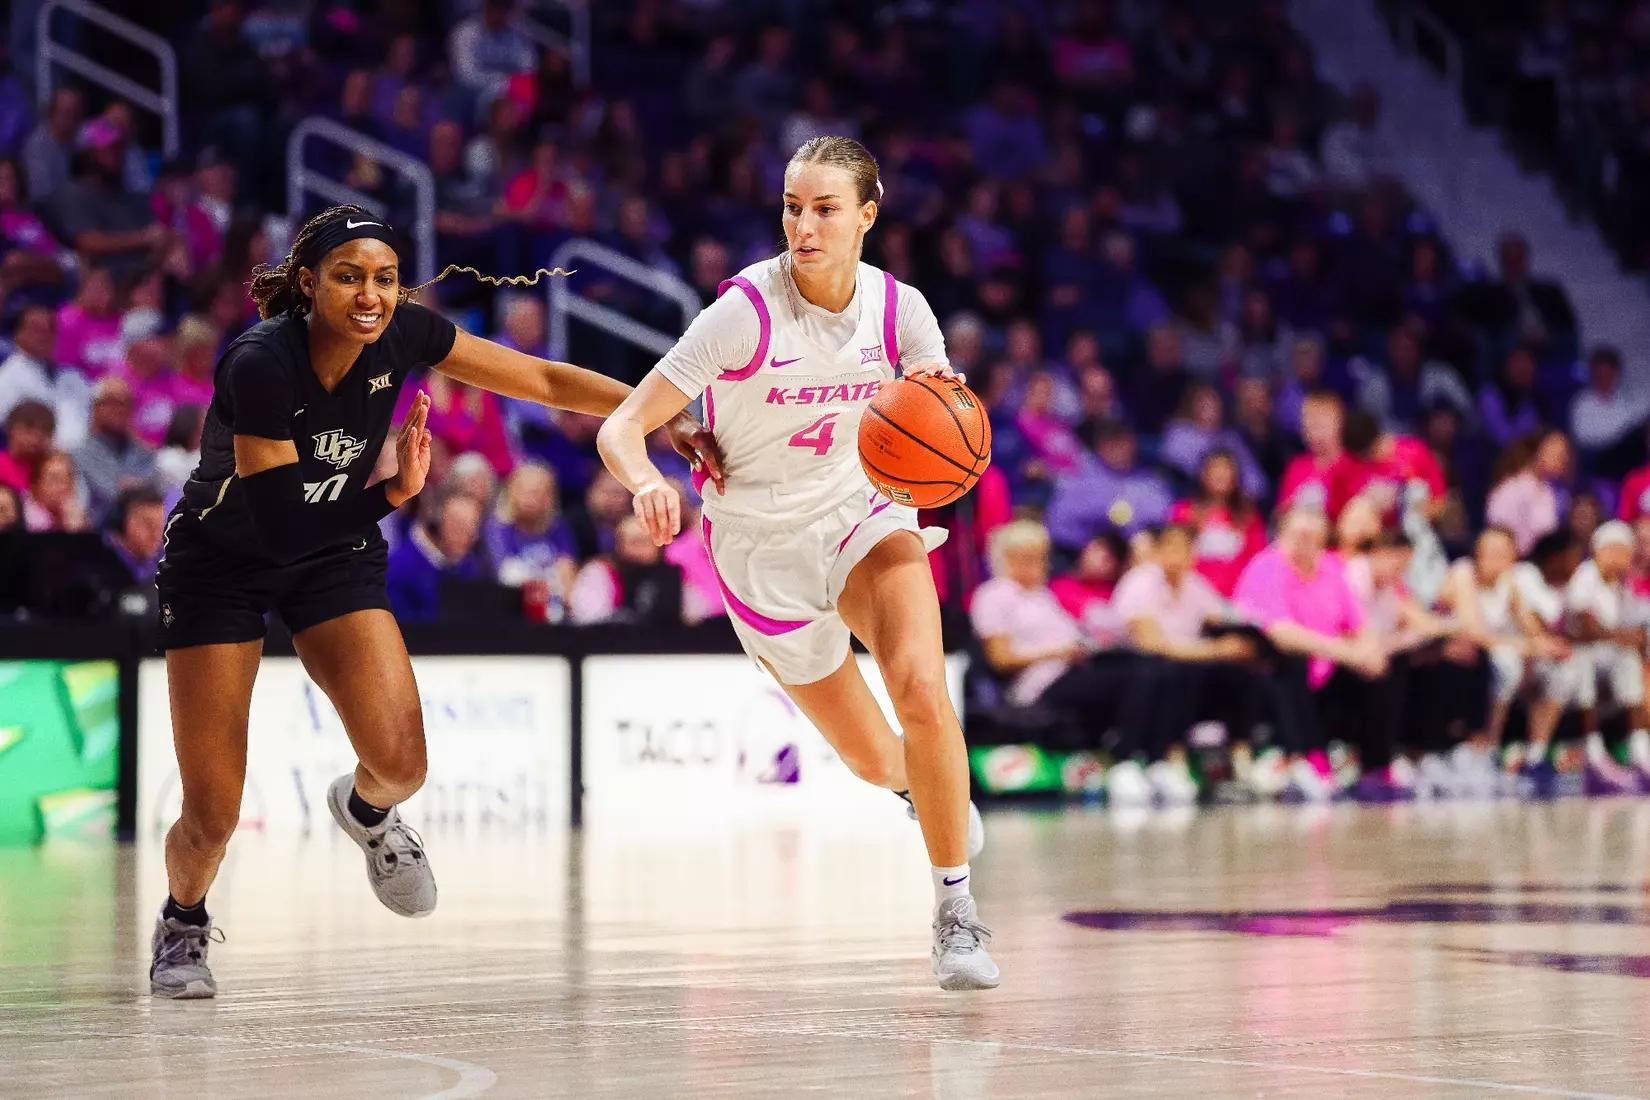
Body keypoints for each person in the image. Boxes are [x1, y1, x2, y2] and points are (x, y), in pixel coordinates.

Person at [147, 204, 721, 1000]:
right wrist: (395, 493)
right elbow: (279, 528)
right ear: (308, 284)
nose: (371, 295)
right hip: (222, 566)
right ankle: (183, 920)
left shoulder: (406, 332)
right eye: (349, 277)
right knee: (213, 814)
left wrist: (664, 418)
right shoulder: (259, 362)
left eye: (385, 278)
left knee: (401, 764)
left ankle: (366, 813)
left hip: (332, 552)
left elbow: (544, 379)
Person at [595, 137, 999, 991]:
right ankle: (920, 790)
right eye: (791, 208)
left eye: (824, 209)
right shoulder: (743, 313)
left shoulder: (901, 312)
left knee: (923, 691)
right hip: (760, 549)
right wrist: (646, 481)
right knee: (873, 759)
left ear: (867, 215)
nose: (804, 226)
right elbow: (623, 423)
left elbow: (942, 414)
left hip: (865, 516)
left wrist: (951, 437)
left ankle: (955, 910)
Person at [1233, 506, 1391, 799]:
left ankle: (1378, 765)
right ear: (1282, 535)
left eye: (1312, 536)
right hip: (1268, 672)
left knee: (1386, 669)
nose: (1305, 543)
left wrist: (1371, 651)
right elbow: (1282, 634)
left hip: (1327, 668)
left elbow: (1360, 623)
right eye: (1298, 535)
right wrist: (1348, 653)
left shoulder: (1331, 566)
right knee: (1293, 660)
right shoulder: (1267, 567)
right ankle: (1307, 757)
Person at [1108, 523, 1253, 807]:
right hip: (1133, 668)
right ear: (1157, 551)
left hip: (1183, 666)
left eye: (1185, 549)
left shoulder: (1194, 584)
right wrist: (1217, 649)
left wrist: (1242, 638)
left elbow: (1226, 616)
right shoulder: (1140, 582)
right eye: (1170, 547)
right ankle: (1164, 759)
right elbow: (1151, 643)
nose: (1178, 555)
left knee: (1237, 672)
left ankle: (1241, 760)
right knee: (1177, 670)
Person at [1564, 521, 1650, 792]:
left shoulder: (1622, 585)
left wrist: (1630, 638)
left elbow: (1636, 633)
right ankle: (1594, 753)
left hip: (1608, 659)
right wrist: (1621, 636)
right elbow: (1584, 626)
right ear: (1600, 550)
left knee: (1630, 661)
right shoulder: (1585, 576)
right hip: (1573, 658)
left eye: (1625, 552)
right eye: (1615, 550)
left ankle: (1640, 749)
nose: (1620, 557)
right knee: (1584, 660)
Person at [1171, 449, 1267, 597]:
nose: (1220, 474)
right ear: (1203, 474)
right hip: (1193, 595)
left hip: (1237, 596)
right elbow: (1174, 554)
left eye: (1226, 469)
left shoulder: (1248, 514)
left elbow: (1257, 559)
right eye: (1215, 468)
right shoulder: (1184, 512)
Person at [386, 490, 488, 623]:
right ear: (435, 524)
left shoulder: (468, 565)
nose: (470, 538)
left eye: (473, 528)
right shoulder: (397, 570)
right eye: (460, 527)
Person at [73, 376, 157, 526]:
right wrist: (136, 486)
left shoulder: (144, 453)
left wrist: (128, 486)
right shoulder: (79, 453)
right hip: (99, 532)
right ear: (95, 407)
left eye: (126, 403)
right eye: (112, 402)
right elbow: (110, 494)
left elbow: (156, 491)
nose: (120, 409)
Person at [1486, 429, 1571, 555]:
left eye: (1565, 454)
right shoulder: (1511, 490)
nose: (1563, 460)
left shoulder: (1551, 490)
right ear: (1537, 453)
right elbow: (1498, 534)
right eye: (1557, 454)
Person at [22, 449, 86, 532]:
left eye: (66, 479)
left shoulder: (76, 514)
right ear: (35, 484)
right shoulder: (24, 518)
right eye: (54, 479)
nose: (61, 488)